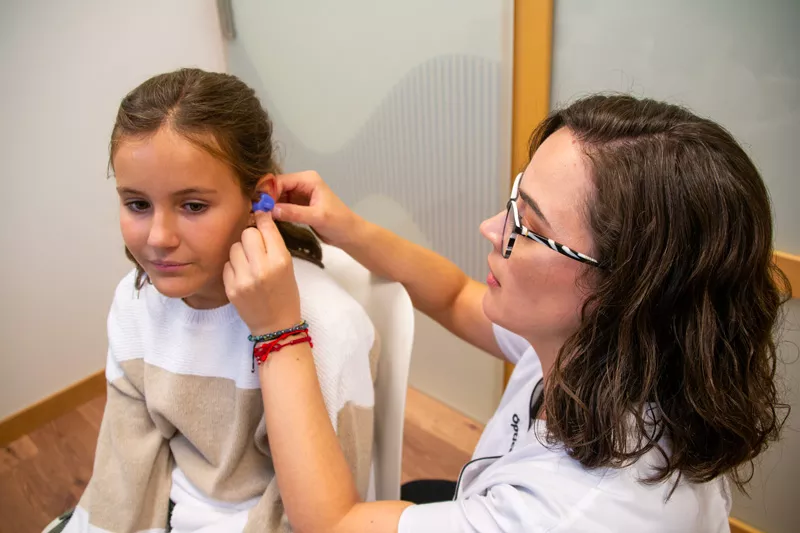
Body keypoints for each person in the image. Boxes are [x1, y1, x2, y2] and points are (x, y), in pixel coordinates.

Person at [223, 94, 791, 532]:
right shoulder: (619, 350)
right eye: (514, 201)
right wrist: (347, 226)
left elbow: (333, 523)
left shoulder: (573, 512)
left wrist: (278, 333)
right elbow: (453, 297)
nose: (493, 229)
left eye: (530, 227)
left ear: (626, 289)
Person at [53, 69, 378, 533]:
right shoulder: (133, 303)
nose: (159, 239)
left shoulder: (328, 326)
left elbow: (322, 514)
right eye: (137, 204)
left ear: (259, 200)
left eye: (193, 206)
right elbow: (124, 471)